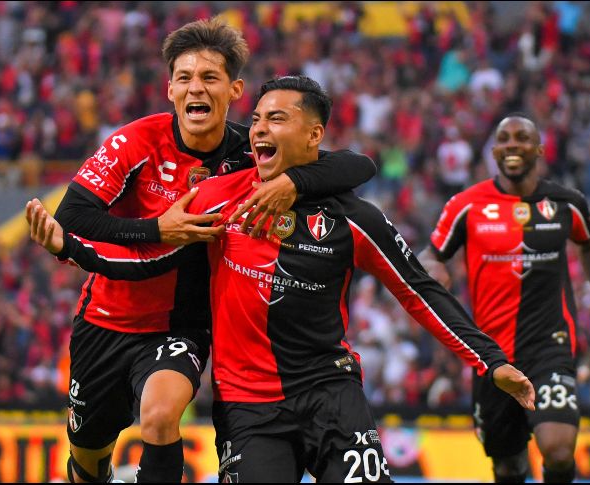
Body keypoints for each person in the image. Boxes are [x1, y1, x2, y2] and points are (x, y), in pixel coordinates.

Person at [27, 75, 536, 482]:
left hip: (330, 391)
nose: (260, 130)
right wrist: (69, 248)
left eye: (277, 119)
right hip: (247, 407)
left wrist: (489, 361)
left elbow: (419, 290)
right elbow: (152, 253)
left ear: (314, 135)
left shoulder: (354, 218)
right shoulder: (218, 197)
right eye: (257, 121)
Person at [50, 18, 377, 483]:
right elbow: (73, 217)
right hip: (106, 318)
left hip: (182, 324)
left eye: (209, 78)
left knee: (161, 418)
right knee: (86, 457)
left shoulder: (255, 149)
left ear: (234, 89)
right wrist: (157, 229)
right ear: (169, 89)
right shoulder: (135, 141)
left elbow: (356, 165)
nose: (195, 88)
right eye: (184, 78)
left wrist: (294, 180)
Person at [418, 115, 590, 483]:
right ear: (494, 151)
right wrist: (435, 271)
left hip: (550, 344)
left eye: (522, 138)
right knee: (508, 466)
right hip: (491, 354)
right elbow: (432, 255)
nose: (512, 144)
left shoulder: (566, 203)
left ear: (539, 149)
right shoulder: (466, 205)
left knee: (558, 450)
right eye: (504, 139)